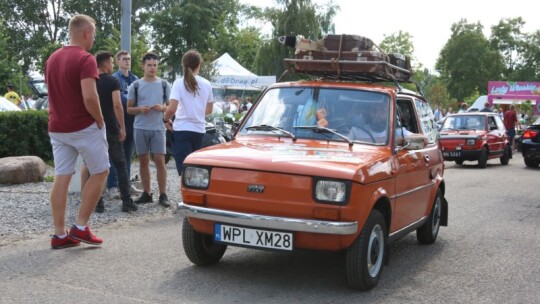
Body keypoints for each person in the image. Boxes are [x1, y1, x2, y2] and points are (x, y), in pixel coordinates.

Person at [45, 14, 107, 249]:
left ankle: (59, 234)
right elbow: (90, 96)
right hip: (83, 127)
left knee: (62, 176)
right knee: (100, 172)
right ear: (86, 33)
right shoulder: (85, 59)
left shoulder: (52, 58)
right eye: (94, 33)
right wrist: (100, 119)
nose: (94, 38)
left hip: (57, 128)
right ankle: (81, 227)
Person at [82, 51, 138, 213]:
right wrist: (122, 126)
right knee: (120, 164)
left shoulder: (89, 81)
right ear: (105, 64)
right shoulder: (113, 81)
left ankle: (97, 203)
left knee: (95, 167)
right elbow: (118, 105)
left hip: (93, 129)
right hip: (111, 129)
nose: (113, 65)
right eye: (112, 62)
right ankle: (126, 201)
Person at [126, 52, 171, 207]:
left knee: (160, 160)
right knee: (143, 160)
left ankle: (163, 194)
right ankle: (147, 192)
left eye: (155, 65)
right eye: (149, 65)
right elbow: (129, 109)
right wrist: (140, 109)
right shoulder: (136, 85)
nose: (152, 68)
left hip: (158, 128)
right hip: (140, 127)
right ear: (143, 66)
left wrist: (162, 107)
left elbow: (171, 106)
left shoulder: (165, 84)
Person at [164, 49, 213, 178]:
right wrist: (196, 110)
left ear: (183, 64)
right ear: (199, 65)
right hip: (199, 130)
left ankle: (185, 196)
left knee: (184, 170)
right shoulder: (207, 84)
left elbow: (171, 109)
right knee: (196, 169)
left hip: (182, 129)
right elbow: (209, 110)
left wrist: (165, 119)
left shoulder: (179, 83)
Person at [109, 50, 142, 197]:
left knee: (128, 155)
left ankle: (126, 185)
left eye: (129, 59)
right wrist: (132, 101)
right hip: (117, 121)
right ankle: (113, 186)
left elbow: (141, 97)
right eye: (124, 59)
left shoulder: (136, 79)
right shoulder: (114, 79)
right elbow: (120, 101)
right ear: (117, 61)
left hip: (132, 122)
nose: (127, 61)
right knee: (115, 155)